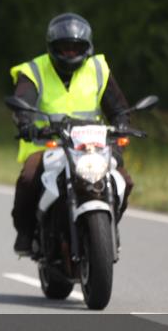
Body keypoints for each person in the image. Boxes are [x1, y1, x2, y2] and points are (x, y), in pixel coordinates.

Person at [9, 13, 134, 255]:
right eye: (63, 48)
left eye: (75, 47)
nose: (69, 53)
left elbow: (119, 109)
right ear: (52, 48)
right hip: (48, 145)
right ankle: (25, 232)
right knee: (28, 178)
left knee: (124, 181)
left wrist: (122, 126)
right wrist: (26, 124)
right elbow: (21, 104)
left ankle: (107, 228)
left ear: (86, 48)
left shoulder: (98, 69)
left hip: (92, 146)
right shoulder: (34, 70)